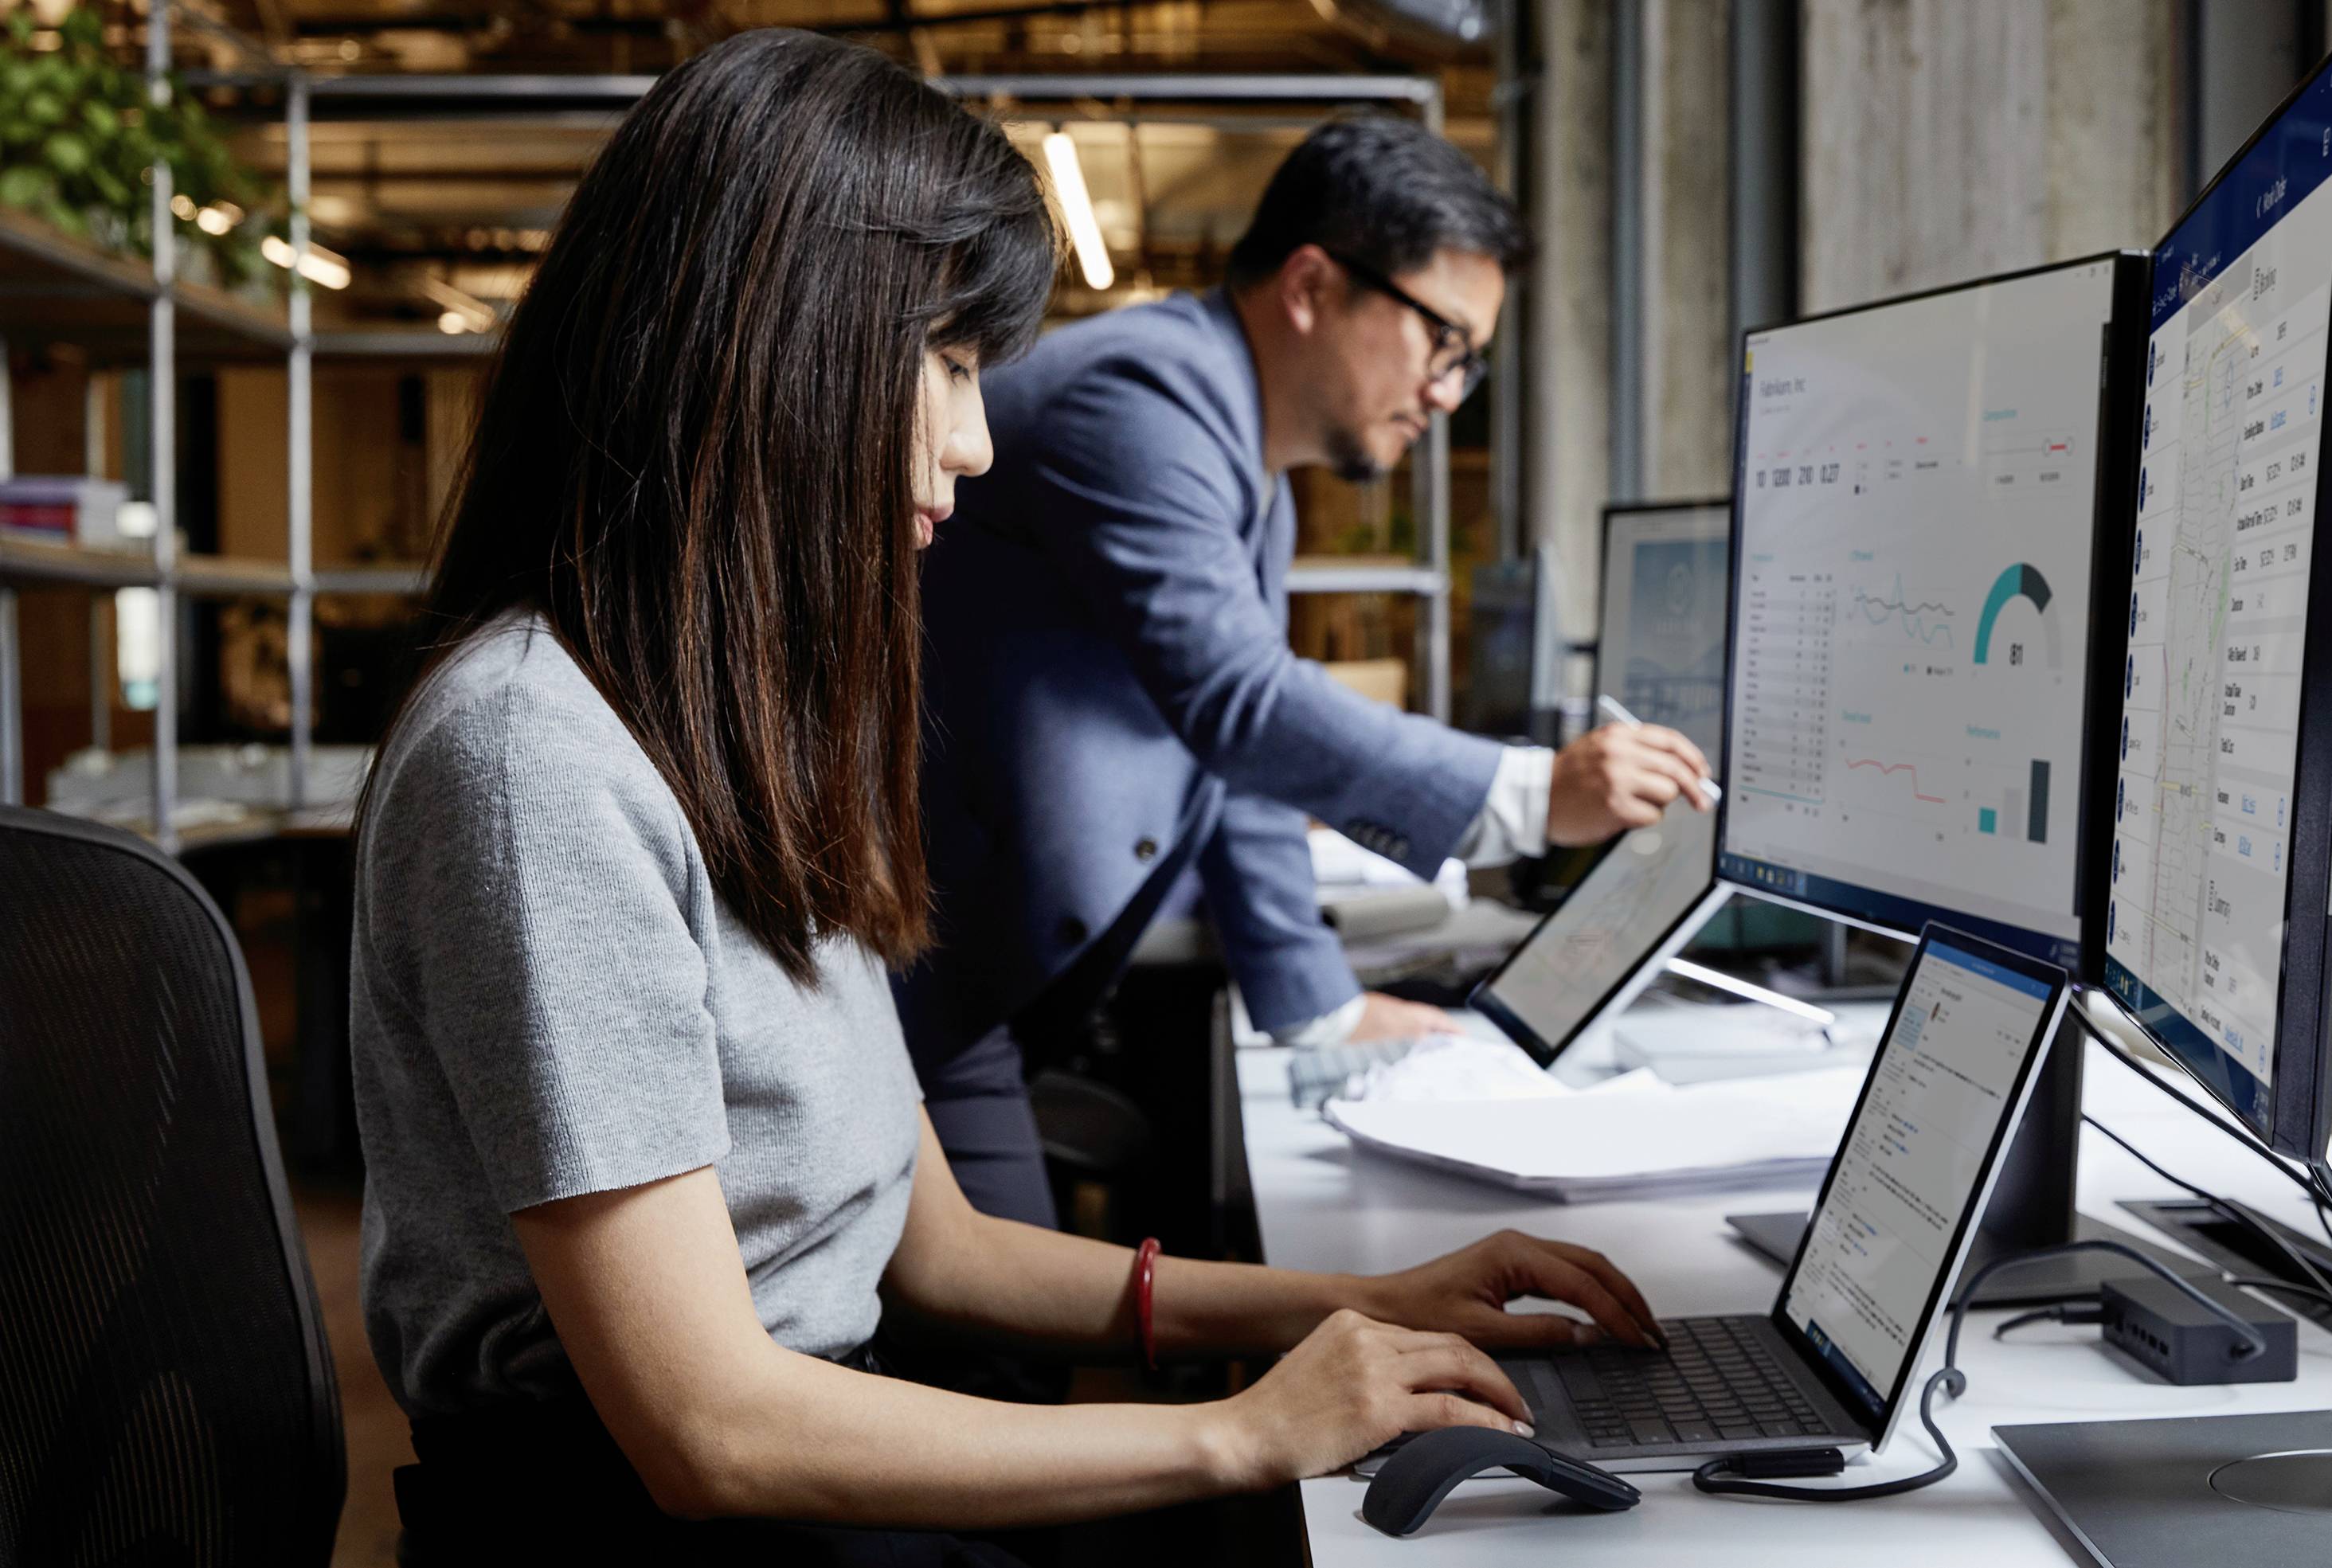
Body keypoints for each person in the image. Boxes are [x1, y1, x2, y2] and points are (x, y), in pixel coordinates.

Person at [350, 30, 1662, 1561]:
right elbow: (707, 1430)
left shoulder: (745, 729)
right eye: (954, 364)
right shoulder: (533, 760)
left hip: (788, 1454)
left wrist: (1358, 1301)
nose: (976, 440)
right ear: (783, 340)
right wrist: (1246, 1427)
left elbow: (943, 1249)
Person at [898, 115, 1716, 1227]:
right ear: (1312, 286)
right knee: (991, 1357)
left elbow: (1226, 758)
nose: (1446, 391)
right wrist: (1528, 794)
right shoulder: (1144, 394)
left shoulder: (1247, 458)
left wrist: (1318, 1009)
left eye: (1469, 364)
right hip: (913, 976)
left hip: (976, 976)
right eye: (1444, 340)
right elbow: (1235, 703)